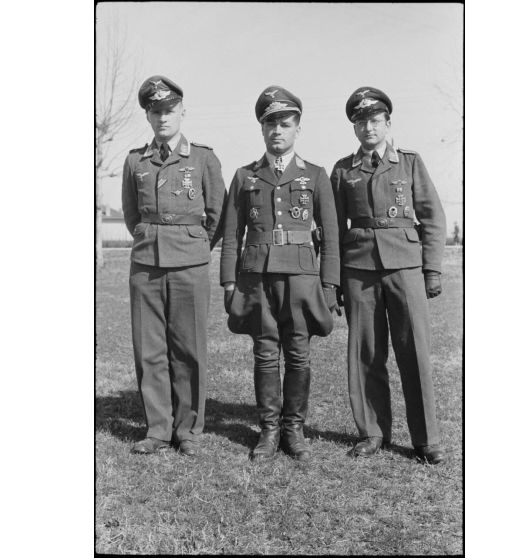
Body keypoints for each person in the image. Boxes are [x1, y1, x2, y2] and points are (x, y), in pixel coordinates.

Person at [220, 86, 340, 462]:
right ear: (262, 129)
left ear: (297, 129)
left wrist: (330, 286)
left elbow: (332, 237)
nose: (277, 131)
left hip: (302, 279)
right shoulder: (244, 176)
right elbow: (230, 236)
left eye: (285, 124)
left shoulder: (316, 175)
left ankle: (294, 430)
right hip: (257, 278)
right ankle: (269, 431)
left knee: (299, 354)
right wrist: (228, 282)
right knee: (265, 352)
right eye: (270, 124)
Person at [330, 86, 447, 464]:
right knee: (366, 352)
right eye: (360, 121)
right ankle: (372, 432)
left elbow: (432, 217)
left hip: (405, 266)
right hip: (359, 269)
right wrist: (332, 280)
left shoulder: (409, 162)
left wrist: (431, 269)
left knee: (414, 351)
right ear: (354, 128)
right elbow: (332, 229)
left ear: (388, 123)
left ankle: (426, 439)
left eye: (375, 120)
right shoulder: (343, 170)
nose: (368, 127)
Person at [121, 75, 226, 456]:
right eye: (155, 111)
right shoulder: (136, 160)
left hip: (189, 264)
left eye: (169, 110)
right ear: (148, 116)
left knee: (189, 348)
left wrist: (193, 245)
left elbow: (217, 214)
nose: (163, 117)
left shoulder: (203, 158)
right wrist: (155, 241)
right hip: (146, 264)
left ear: (182, 112)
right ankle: (158, 429)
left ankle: (189, 430)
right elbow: (133, 216)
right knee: (149, 348)